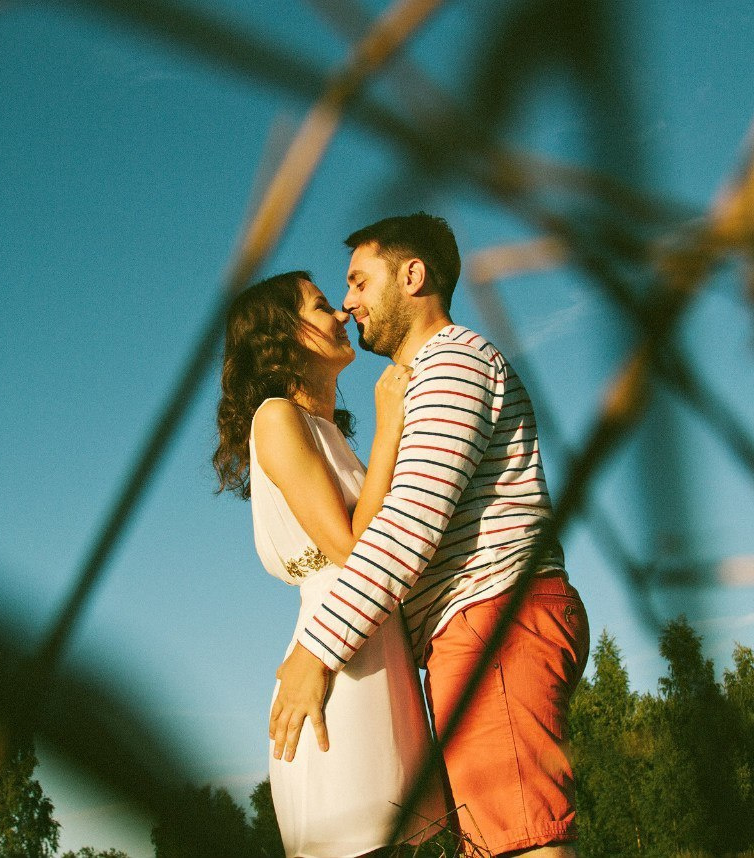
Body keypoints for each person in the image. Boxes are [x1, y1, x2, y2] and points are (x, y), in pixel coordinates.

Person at [270, 214, 590, 857]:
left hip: (491, 618)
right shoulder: (432, 378)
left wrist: (317, 649)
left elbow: (409, 524)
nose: (349, 302)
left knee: (521, 840)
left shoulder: (451, 365)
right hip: (478, 625)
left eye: (359, 281)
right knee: (503, 835)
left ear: (413, 275)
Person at [213, 270, 446, 858]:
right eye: (321, 307)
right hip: (338, 667)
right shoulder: (275, 418)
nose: (342, 314)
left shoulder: (327, 434)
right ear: (283, 335)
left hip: (378, 651)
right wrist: (391, 422)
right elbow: (352, 548)